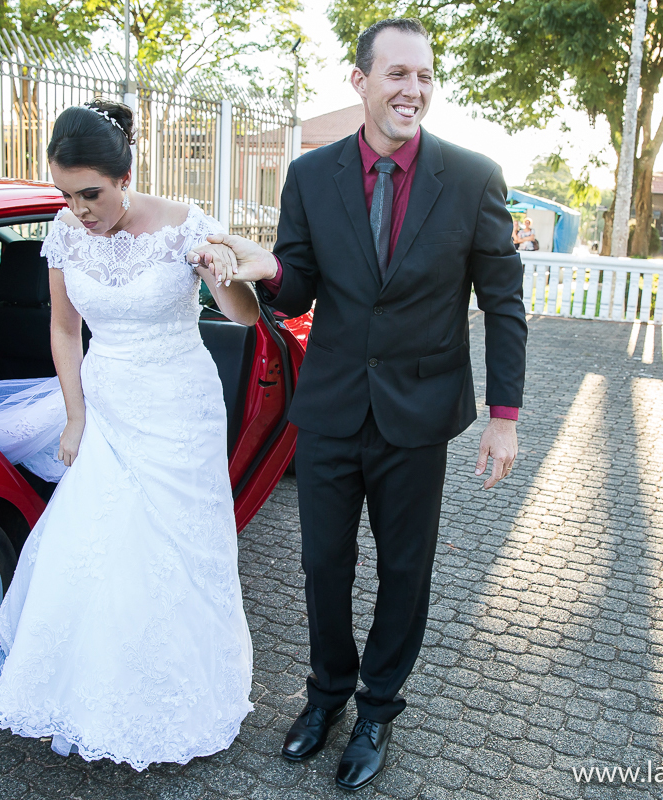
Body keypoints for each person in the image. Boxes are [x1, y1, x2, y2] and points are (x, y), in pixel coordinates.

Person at [201, 18, 526, 791]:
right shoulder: (311, 177)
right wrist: (264, 270)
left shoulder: (474, 176)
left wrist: (506, 417)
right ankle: (325, 696)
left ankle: (379, 707)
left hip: (420, 416)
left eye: (424, 76)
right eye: (397, 75)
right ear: (361, 81)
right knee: (322, 565)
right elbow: (301, 286)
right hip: (333, 407)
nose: (413, 90)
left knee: (406, 570)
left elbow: (504, 303)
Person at [0, 99, 261, 769]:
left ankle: (180, 696)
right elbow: (64, 328)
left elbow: (245, 319)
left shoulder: (185, 227)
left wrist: (221, 267)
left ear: (125, 175)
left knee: (176, 553)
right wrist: (75, 415)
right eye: (65, 193)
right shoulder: (62, 231)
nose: (78, 209)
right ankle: (95, 696)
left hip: (177, 409)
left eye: (90, 194)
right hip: (106, 407)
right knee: (100, 549)